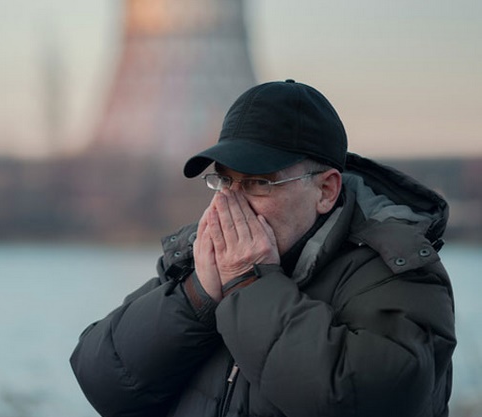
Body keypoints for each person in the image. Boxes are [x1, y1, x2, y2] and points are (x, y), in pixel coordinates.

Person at [70, 79, 456, 417]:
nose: (230, 204)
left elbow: (360, 398)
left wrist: (250, 284)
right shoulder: (201, 260)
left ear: (325, 190)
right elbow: (103, 379)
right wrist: (196, 298)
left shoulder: (398, 270)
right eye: (224, 181)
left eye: (257, 183)